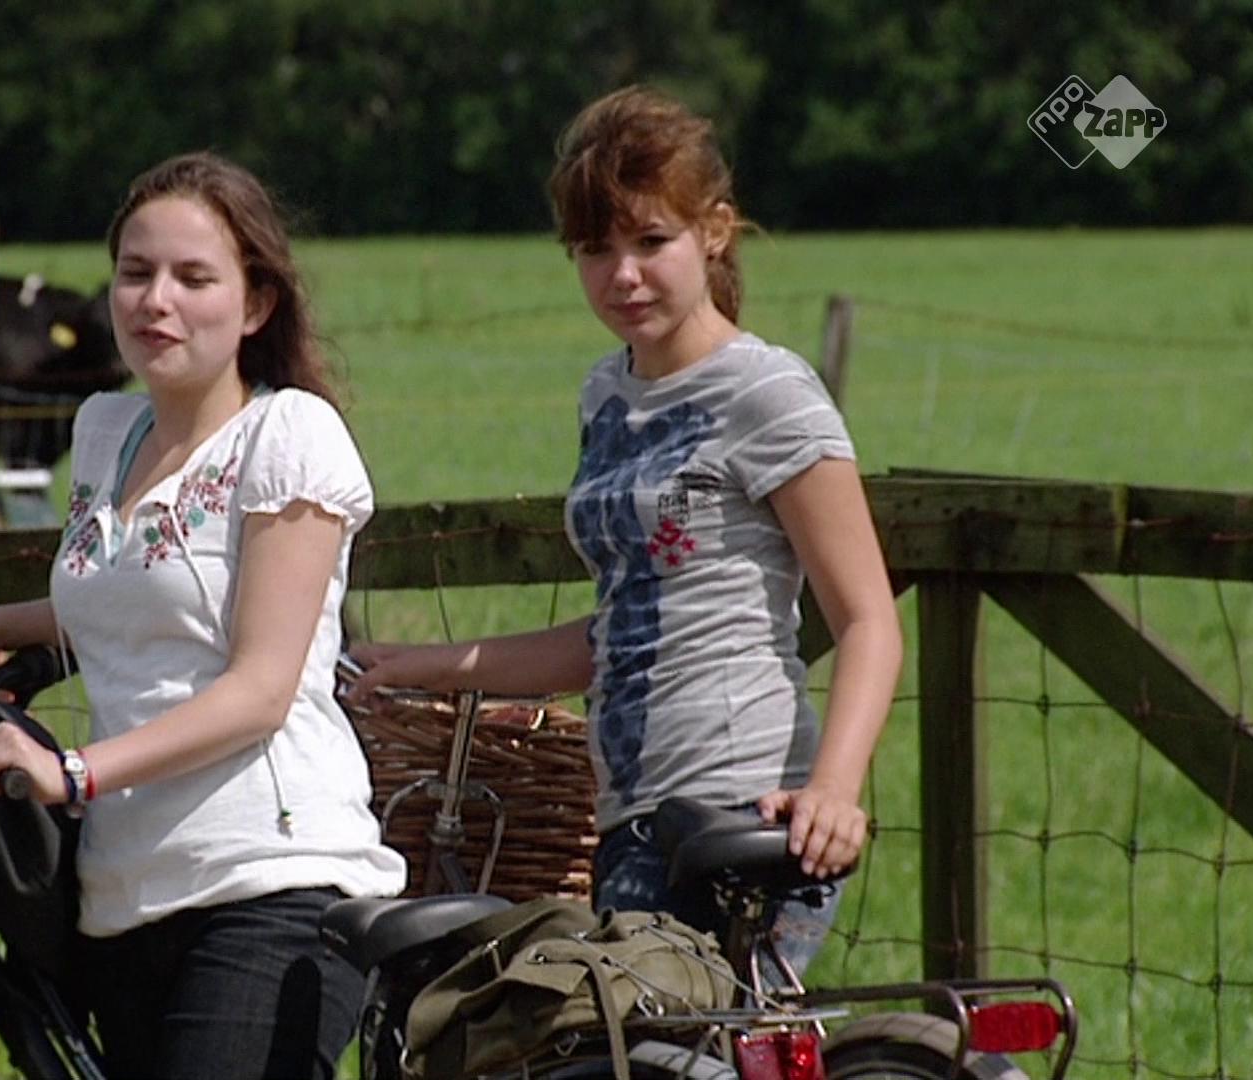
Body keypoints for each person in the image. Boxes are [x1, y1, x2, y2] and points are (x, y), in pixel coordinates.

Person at [349, 86, 903, 979]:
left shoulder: (767, 394)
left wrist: (833, 793)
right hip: (630, 815)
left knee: (684, 1040)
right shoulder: (606, 395)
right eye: (595, 250)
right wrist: (430, 667)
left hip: (743, 807)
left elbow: (869, 619)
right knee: (641, 1041)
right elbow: (622, 629)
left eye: (651, 241)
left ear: (713, 231)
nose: (623, 275)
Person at [0, 151, 405, 1079]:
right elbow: (133, 595)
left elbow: (260, 688)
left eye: (193, 278)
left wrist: (73, 772)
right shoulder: (107, 432)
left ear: (256, 304)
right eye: (135, 273)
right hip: (125, 896)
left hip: (269, 887)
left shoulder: (288, 436)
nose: (156, 301)